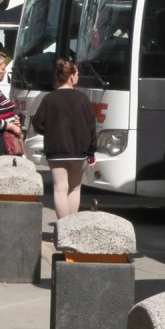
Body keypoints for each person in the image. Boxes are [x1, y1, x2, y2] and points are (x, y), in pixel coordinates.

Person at [31, 59, 97, 219]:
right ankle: (71, 228)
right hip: (79, 151)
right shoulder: (83, 99)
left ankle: (62, 227)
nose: (78, 77)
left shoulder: (49, 99)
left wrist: (51, 131)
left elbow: (37, 124)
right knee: (74, 188)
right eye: (77, 74)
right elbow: (91, 127)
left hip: (56, 150)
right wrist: (91, 152)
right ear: (71, 76)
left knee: (60, 188)